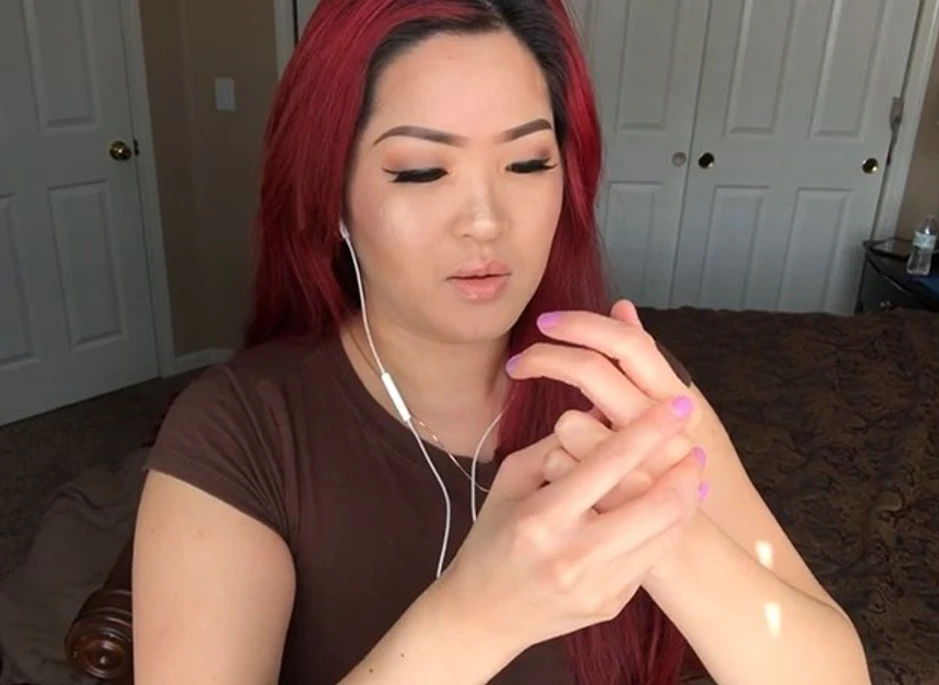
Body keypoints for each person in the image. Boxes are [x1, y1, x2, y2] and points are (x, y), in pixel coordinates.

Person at [132, 1, 871, 684]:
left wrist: (667, 528)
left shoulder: (626, 389)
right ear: (333, 199)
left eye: (527, 163)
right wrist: (479, 615)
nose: (486, 220)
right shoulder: (242, 432)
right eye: (422, 170)